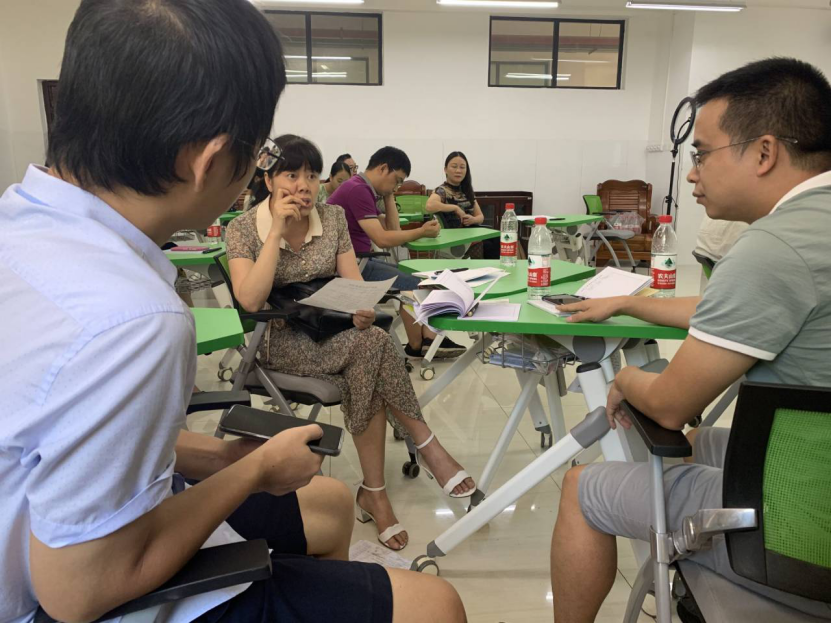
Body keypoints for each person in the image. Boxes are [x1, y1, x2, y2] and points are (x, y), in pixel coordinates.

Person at [0, 2, 466, 622]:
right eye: (266, 155)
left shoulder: (22, 223)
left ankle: (386, 478)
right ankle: (421, 451)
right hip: (67, 590)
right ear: (210, 160)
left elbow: (73, 438)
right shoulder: (135, 319)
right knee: (434, 605)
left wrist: (221, 458)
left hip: (95, 517)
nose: (293, 181)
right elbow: (78, 592)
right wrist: (253, 471)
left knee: (328, 494)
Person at [549, 57, 831, 623]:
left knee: (582, 487)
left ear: (764, 152)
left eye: (702, 154)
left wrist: (628, 380)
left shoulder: (775, 246)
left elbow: (670, 403)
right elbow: (739, 310)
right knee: (698, 442)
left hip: (802, 532)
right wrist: (629, 302)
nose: (693, 175)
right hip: (811, 457)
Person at [226, 134, 477, 554]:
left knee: (370, 346)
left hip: (334, 332)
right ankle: (424, 446)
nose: (304, 186)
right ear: (269, 180)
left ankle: (375, 492)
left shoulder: (333, 218)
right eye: (292, 175)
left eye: (311, 175)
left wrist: (361, 309)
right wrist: (275, 234)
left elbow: (354, 285)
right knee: (373, 350)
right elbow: (250, 301)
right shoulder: (243, 228)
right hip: (277, 339)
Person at [328, 146, 466, 358]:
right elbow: (382, 240)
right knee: (420, 284)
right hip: (351, 267)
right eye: (397, 180)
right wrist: (421, 231)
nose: (397, 186)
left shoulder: (364, 189)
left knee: (415, 280)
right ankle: (425, 342)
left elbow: (393, 230)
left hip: (360, 261)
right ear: (383, 168)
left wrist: (389, 194)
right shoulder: (358, 190)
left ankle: (420, 343)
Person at [426, 151, 498, 259]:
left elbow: (480, 217)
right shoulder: (442, 190)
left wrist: (473, 220)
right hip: (455, 239)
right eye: (454, 166)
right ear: (445, 169)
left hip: (470, 233)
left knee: (498, 238)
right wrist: (455, 208)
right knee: (490, 245)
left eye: (462, 167)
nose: (458, 170)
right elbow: (429, 205)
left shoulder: (467, 191)